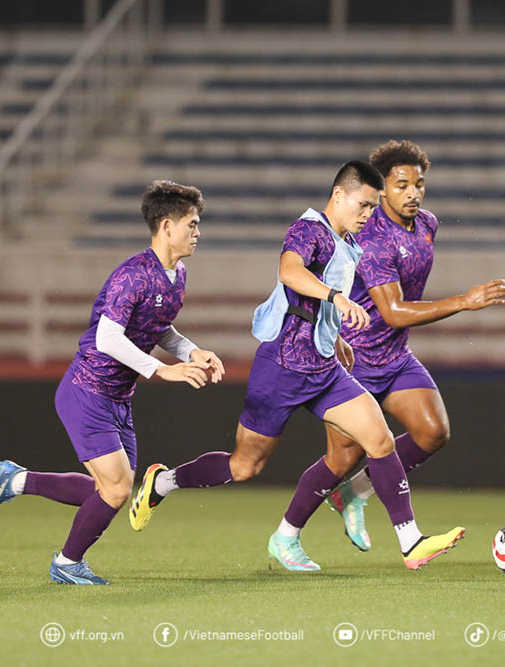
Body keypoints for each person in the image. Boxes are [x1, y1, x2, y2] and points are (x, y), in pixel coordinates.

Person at [128, 160, 465, 571]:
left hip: (323, 366)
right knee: (244, 466)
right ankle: (163, 482)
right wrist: (336, 299)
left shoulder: (350, 241)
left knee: (380, 439)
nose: (367, 215)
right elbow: (290, 273)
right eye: (362, 205)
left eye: (373, 207)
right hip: (282, 366)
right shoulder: (308, 229)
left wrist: (334, 335)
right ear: (338, 195)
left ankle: (407, 542)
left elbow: (308, 305)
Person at [0, 180, 223, 585]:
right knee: (115, 489)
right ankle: (67, 563)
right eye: (192, 224)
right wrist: (161, 370)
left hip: (118, 399)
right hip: (87, 391)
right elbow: (109, 338)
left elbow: (158, 328)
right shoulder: (133, 275)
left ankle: (16, 480)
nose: (197, 232)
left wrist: (191, 352)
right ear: (166, 226)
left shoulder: (177, 275)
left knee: (115, 489)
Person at [275, 140, 505, 559]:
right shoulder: (373, 238)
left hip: (395, 356)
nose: (414, 193)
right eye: (402, 185)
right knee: (341, 458)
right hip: (355, 357)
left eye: (419, 184)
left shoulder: (427, 224)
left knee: (433, 431)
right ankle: (287, 534)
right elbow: (395, 311)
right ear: (381, 190)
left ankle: (354, 495)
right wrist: (464, 301)